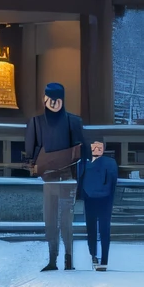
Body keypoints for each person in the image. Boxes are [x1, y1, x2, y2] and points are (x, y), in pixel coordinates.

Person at [23, 81, 86, 271]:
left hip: (67, 178)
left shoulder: (73, 122)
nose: (53, 103)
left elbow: (80, 150)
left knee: (66, 221)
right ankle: (52, 259)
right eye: (50, 99)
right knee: (50, 220)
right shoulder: (36, 122)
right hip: (47, 178)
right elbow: (30, 151)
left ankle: (68, 259)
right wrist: (34, 167)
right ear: (44, 99)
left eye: (57, 99)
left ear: (62, 100)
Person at [77, 139, 118, 270]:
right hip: (106, 200)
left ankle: (94, 256)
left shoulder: (83, 163)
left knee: (91, 229)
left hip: (90, 199)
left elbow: (80, 180)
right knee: (105, 230)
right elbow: (114, 183)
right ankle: (104, 260)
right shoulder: (111, 163)